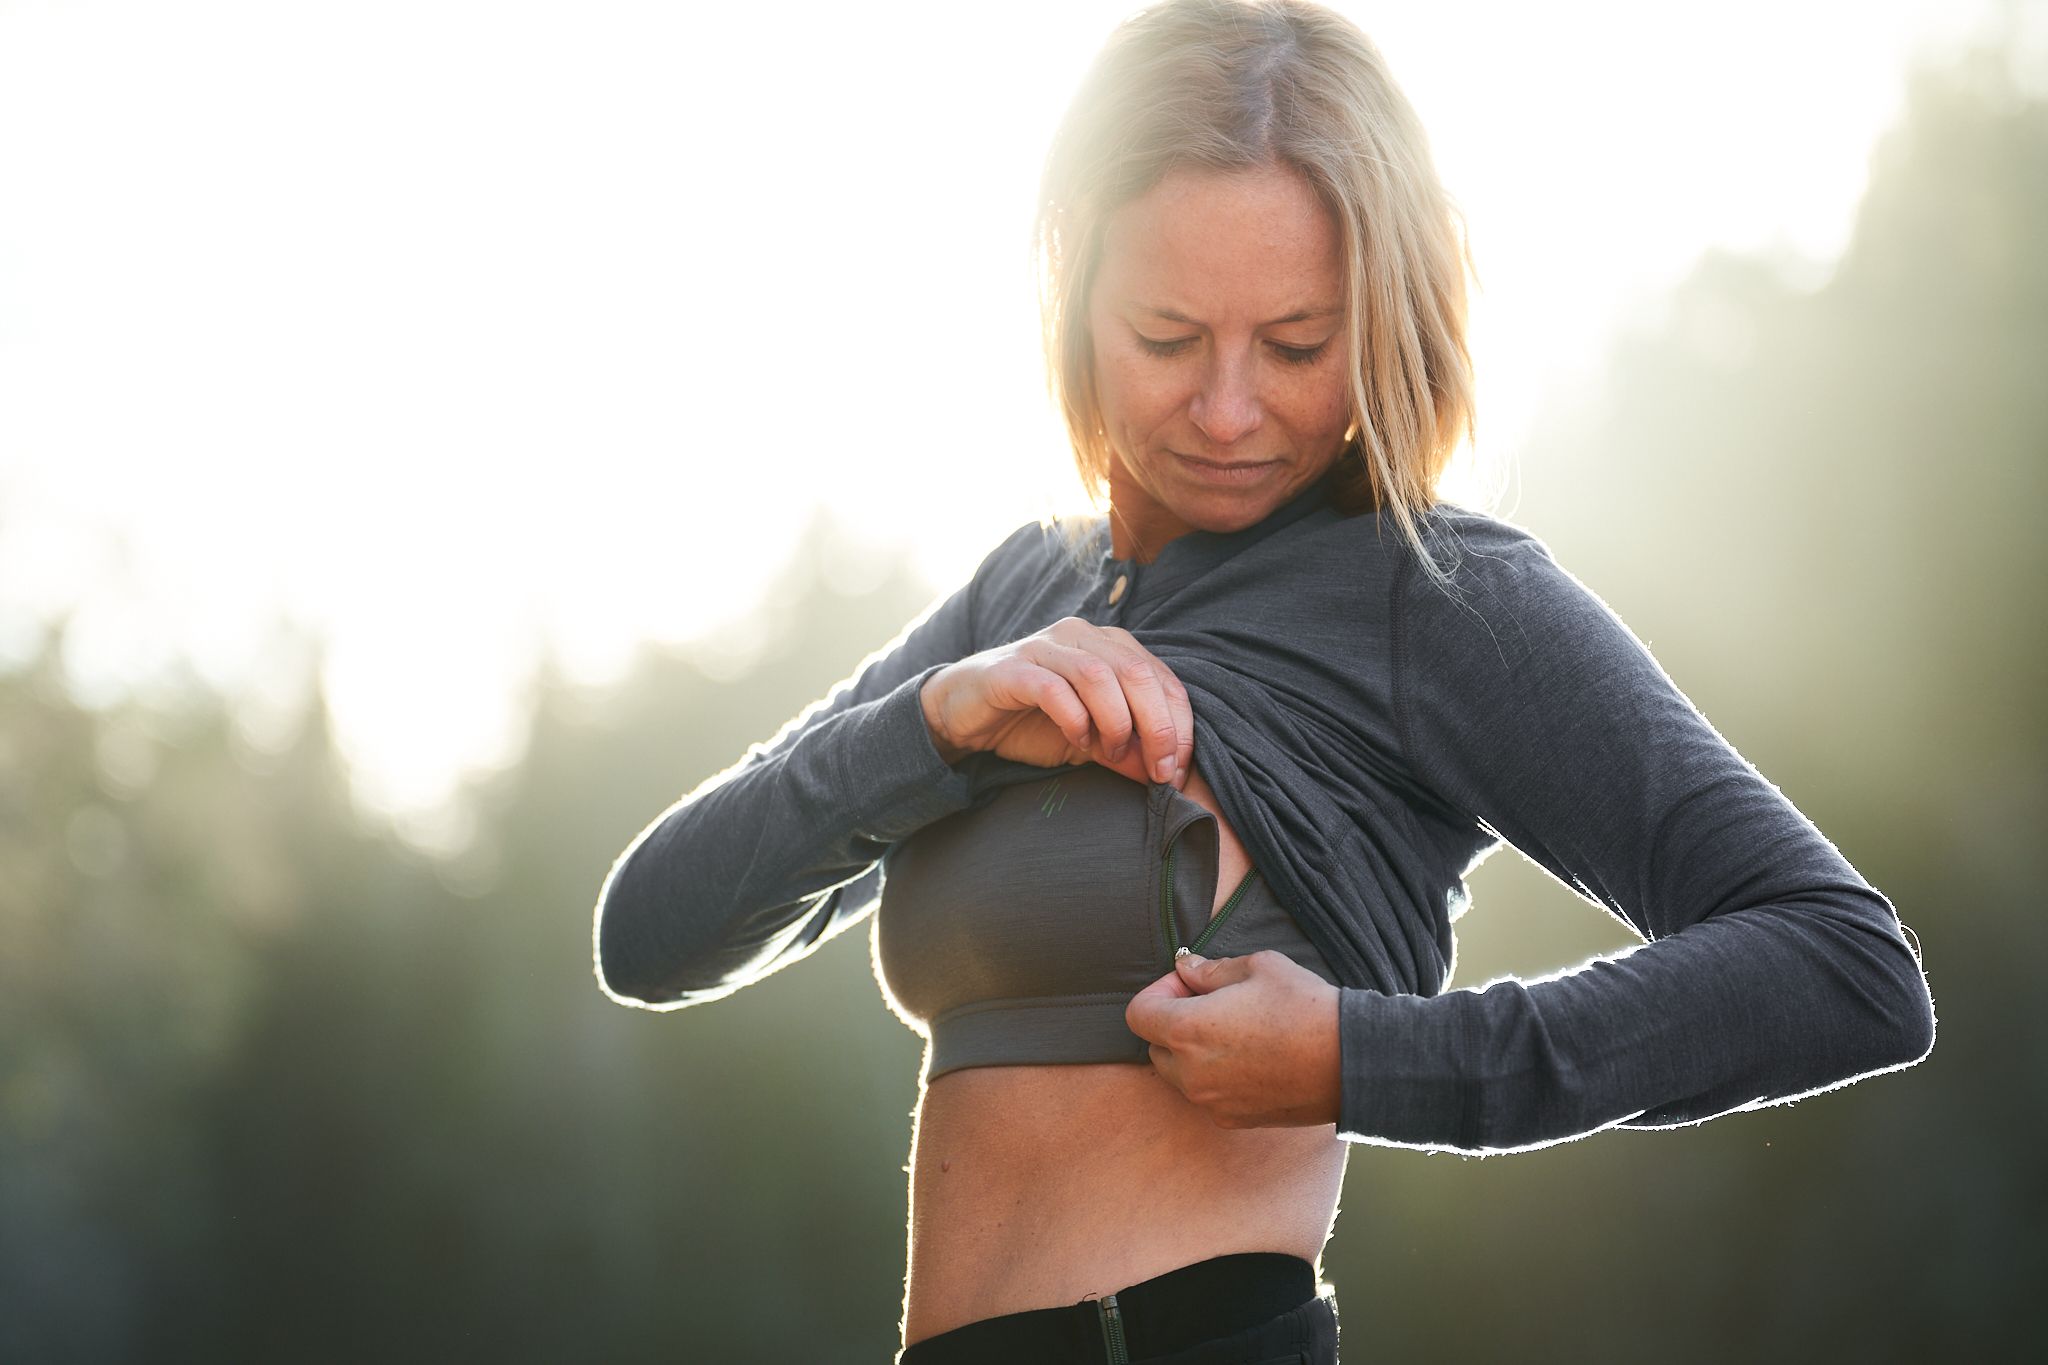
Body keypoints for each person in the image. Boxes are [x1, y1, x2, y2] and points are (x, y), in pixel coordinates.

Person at [589, 2, 1938, 1361]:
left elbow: (1845, 965)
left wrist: (1370, 1057)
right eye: (1169, 337)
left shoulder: (1433, 595)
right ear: (1075, 304)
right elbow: (650, 933)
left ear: (1385, 321)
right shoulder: (1022, 599)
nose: (1229, 410)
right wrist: (934, 722)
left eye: (1297, 344)